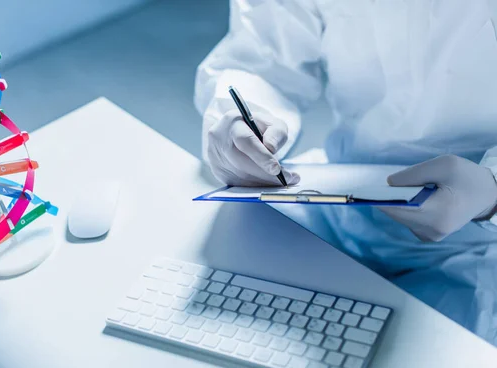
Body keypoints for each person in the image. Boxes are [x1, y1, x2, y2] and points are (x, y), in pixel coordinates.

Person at [194, 0, 497, 346]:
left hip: (480, 246)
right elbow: (261, 59)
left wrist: (492, 190)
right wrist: (243, 119)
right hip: (342, 207)